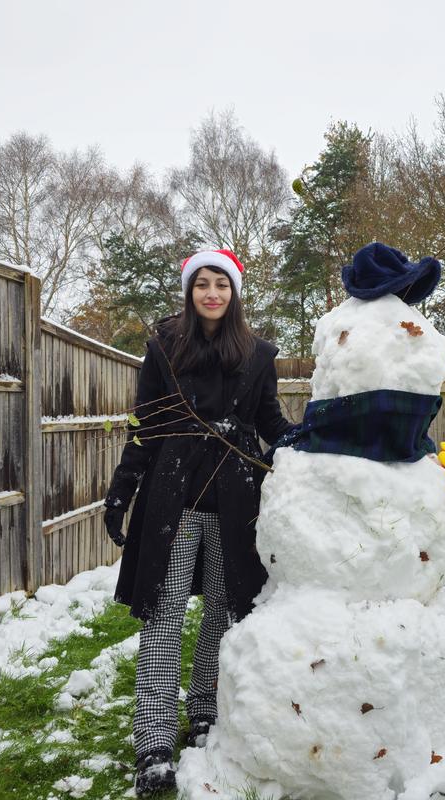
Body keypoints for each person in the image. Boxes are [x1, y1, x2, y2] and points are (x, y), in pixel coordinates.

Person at [102, 249, 293, 796]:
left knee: (222, 611)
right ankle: (153, 740)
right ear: (189, 292)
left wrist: (315, 446)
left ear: (234, 294)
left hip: (235, 499)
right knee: (162, 616)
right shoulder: (164, 349)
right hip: (174, 497)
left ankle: (207, 712)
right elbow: (148, 424)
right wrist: (121, 494)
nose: (212, 293)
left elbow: (271, 422)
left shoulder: (257, 354)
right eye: (202, 284)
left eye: (222, 285)